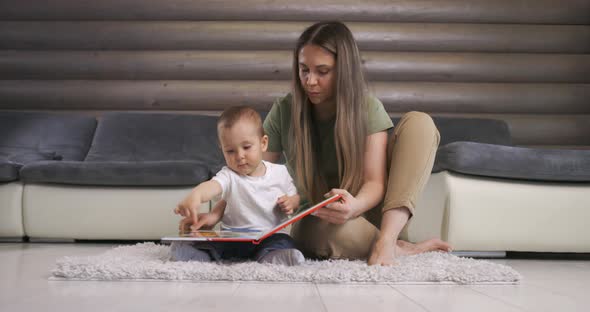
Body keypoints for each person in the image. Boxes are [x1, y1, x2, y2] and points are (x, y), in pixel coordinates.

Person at [261, 21, 452, 266]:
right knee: (321, 232)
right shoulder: (284, 110)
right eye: (303, 70)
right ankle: (396, 248)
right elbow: (256, 175)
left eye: (322, 71)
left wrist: (355, 206)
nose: (309, 81)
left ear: (344, 70)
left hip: (373, 214)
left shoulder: (368, 108)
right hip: (324, 221)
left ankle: (386, 241)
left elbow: (374, 182)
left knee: (420, 123)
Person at [171, 106, 305, 266]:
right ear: (222, 150)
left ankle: (273, 257)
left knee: (283, 240)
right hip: (233, 237)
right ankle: (198, 255)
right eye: (230, 151)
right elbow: (212, 186)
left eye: (246, 147)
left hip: (267, 236)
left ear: (263, 143)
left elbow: (296, 199)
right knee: (212, 240)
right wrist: (196, 196)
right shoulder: (229, 175)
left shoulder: (280, 173)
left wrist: (292, 202)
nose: (240, 156)